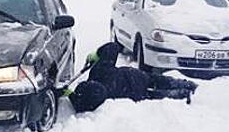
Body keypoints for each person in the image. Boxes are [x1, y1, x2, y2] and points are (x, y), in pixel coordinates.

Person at [67, 42, 198, 113]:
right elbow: (113, 47)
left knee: (156, 95)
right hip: (133, 75)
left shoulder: (98, 94)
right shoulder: (98, 70)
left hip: (132, 92)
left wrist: (70, 95)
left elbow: (80, 106)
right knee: (158, 80)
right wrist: (96, 55)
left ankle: (181, 94)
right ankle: (186, 84)